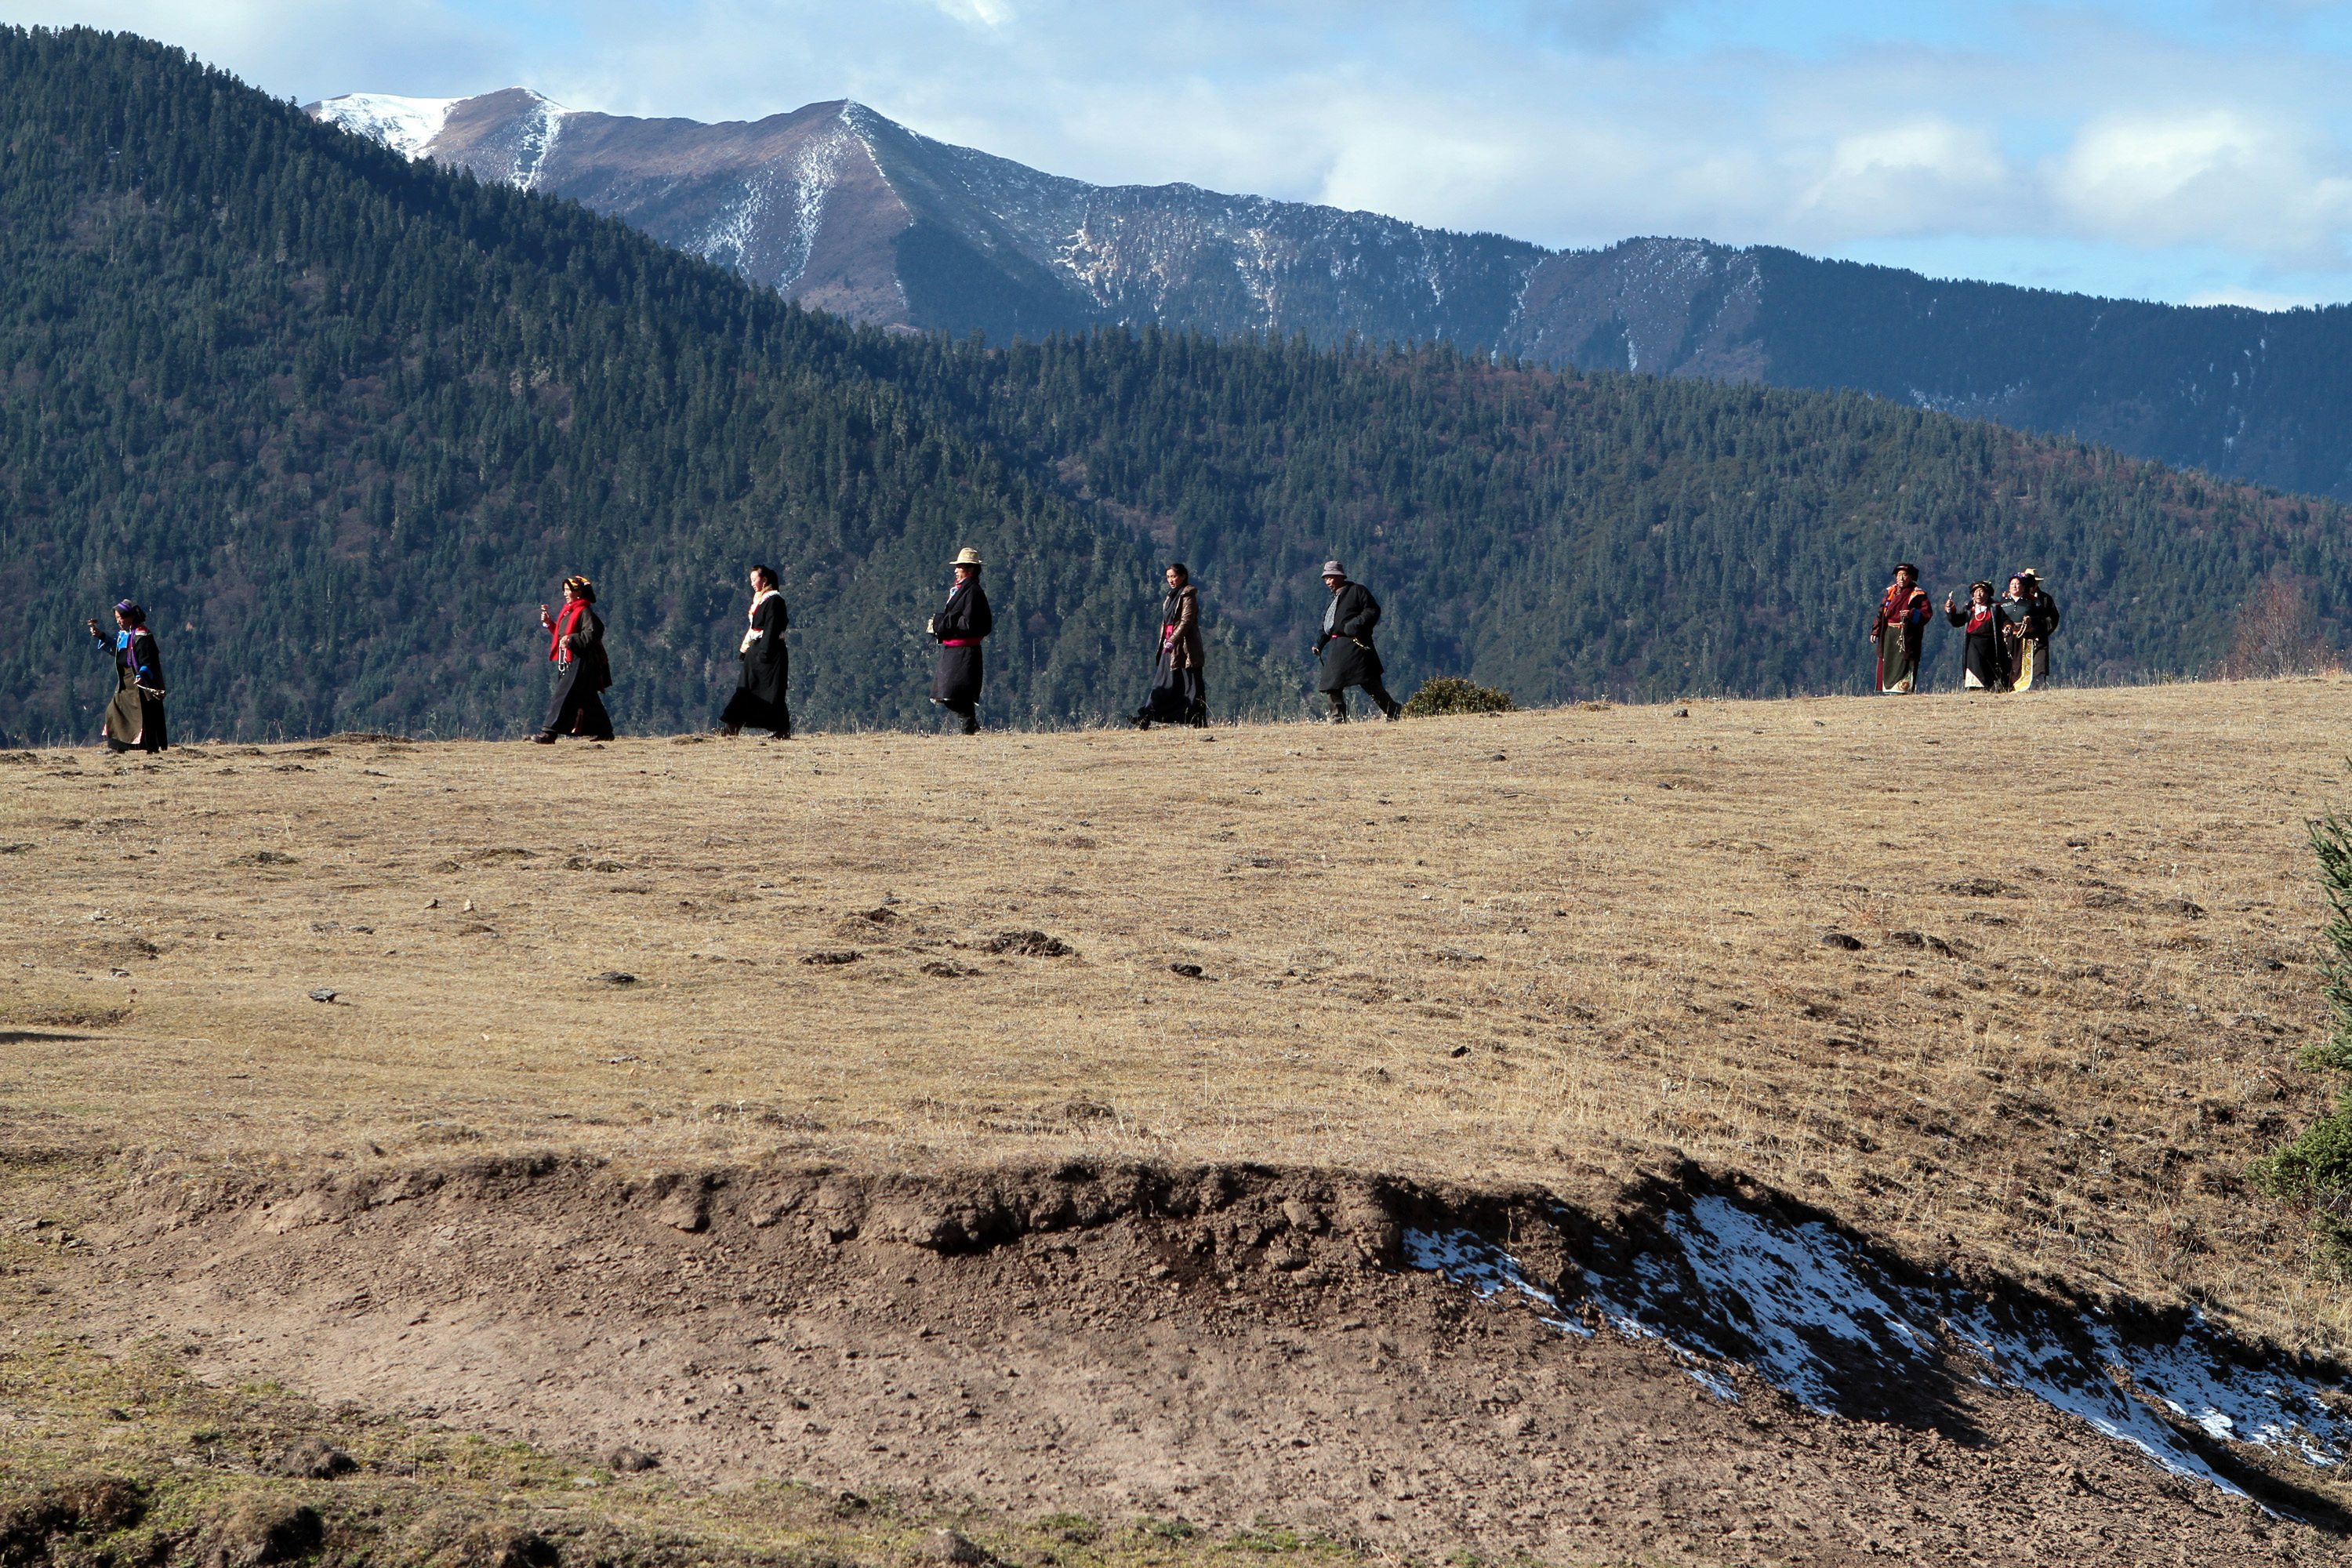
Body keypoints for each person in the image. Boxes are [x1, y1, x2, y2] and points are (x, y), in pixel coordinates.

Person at [1313, 560, 1400, 721]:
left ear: (1340, 577)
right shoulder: (1334, 601)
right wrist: (1319, 644)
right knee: (1331, 683)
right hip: (1337, 647)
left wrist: (1354, 626)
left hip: (1356, 644)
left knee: (1369, 682)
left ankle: (1392, 710)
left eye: (1330, 578)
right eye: (1325, 579)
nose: (1327, 582)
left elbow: (1373, 610)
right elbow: (1328, 626)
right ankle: (1337, 717)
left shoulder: (1357, 591)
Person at [533, 575, 613, 742]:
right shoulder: (570, 611)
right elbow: (563, 634)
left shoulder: (584, 611)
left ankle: (550, 733)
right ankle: (605, 731)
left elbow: (593, 633)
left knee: (562, 694)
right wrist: (550, 624)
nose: (566, 593)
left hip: (582, 661)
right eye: (565, 590)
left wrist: (572, 639)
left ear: (579, 592)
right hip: (573, 660)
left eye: (569, 590)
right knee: (588, 697)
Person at [1131, 563, 1207, 729]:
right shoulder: (1171, 597)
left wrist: (1173, 640)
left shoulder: (1188, 596)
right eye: (1168, 577)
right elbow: (1167, 623)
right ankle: (1146, 715)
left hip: (1186, 650)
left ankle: (1196, 720)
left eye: (1173, 576)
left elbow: (1186, 621)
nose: (1171, 580)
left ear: (1183, 576)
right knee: (1163, 683)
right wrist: (1167, 642)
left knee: (1191, 686)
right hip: (1170, 648)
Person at [719, 564, 791, 739]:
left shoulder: (775, 601)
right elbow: (754, 629)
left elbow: (772, 628)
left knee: (772, 691)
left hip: (770, 653)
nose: (752, 583)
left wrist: (765, 652)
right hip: (758, 651)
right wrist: (745, 649)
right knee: (745, 689)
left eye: (754, 579)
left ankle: (782, 730)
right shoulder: (761, 600)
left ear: (764, 580)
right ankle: (733, 726)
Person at [85, 601, 166, 753]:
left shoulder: (143, 636)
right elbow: (117, 650)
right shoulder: (124, 635)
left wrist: (142, 675)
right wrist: (101, 636)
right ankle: (117, 747)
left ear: (131, 617)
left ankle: (149, 747)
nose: (118, 621)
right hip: (125, 682)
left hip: (138, 682)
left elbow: (148, 660)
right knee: (113, 710)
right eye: (116, 618)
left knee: (143, 716)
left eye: (120, 618)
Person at [928, 547, 993, 735]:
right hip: (956, 649)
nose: (956, 570)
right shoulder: (964, 590)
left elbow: (969, 622)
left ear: (970, 570)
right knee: (950, 692)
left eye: (960, 567)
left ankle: (969, 723)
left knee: (953, 692)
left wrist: (941, 623)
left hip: (964, 651)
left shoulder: (972, 592)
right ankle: (969, 725)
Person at [1870, 562, 1933, 694]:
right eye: (1899, 575)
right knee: (1889, 660)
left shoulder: (1918, 594)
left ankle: (1902, 689)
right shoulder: (1891, 593)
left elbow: (1927, 614)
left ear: (1911, 577)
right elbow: (1882, 612)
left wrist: (1912, 614)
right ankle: (1888, 688)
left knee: (1904, 661)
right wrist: (1876, 630)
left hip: (1907, 635)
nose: (1901, 578)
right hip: (1889, 633)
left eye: (1905, 575)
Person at [1942, 581, 2009, 691]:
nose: (1978, 595)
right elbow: (1957, 622)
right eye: (1976, 592)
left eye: (1981, 592)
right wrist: (1950, 610)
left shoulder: (1995, 608)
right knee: (1975, 665)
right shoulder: (1969, 609)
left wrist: (2008, 627)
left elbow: (2005, 620)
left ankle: (1990, 687)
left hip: (1991, 643)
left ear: (1987, 594)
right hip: (1973, 643)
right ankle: (1976, 688)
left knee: (1991, 668)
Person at [2002, 571, 2060, 691]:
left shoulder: (2042, 599)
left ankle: (2036, 688)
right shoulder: (2006, 601)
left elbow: (2050, 618)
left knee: (2038, 666)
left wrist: (2037, 628)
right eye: (2013, 584)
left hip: (2035, 638)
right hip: (2012, 638)